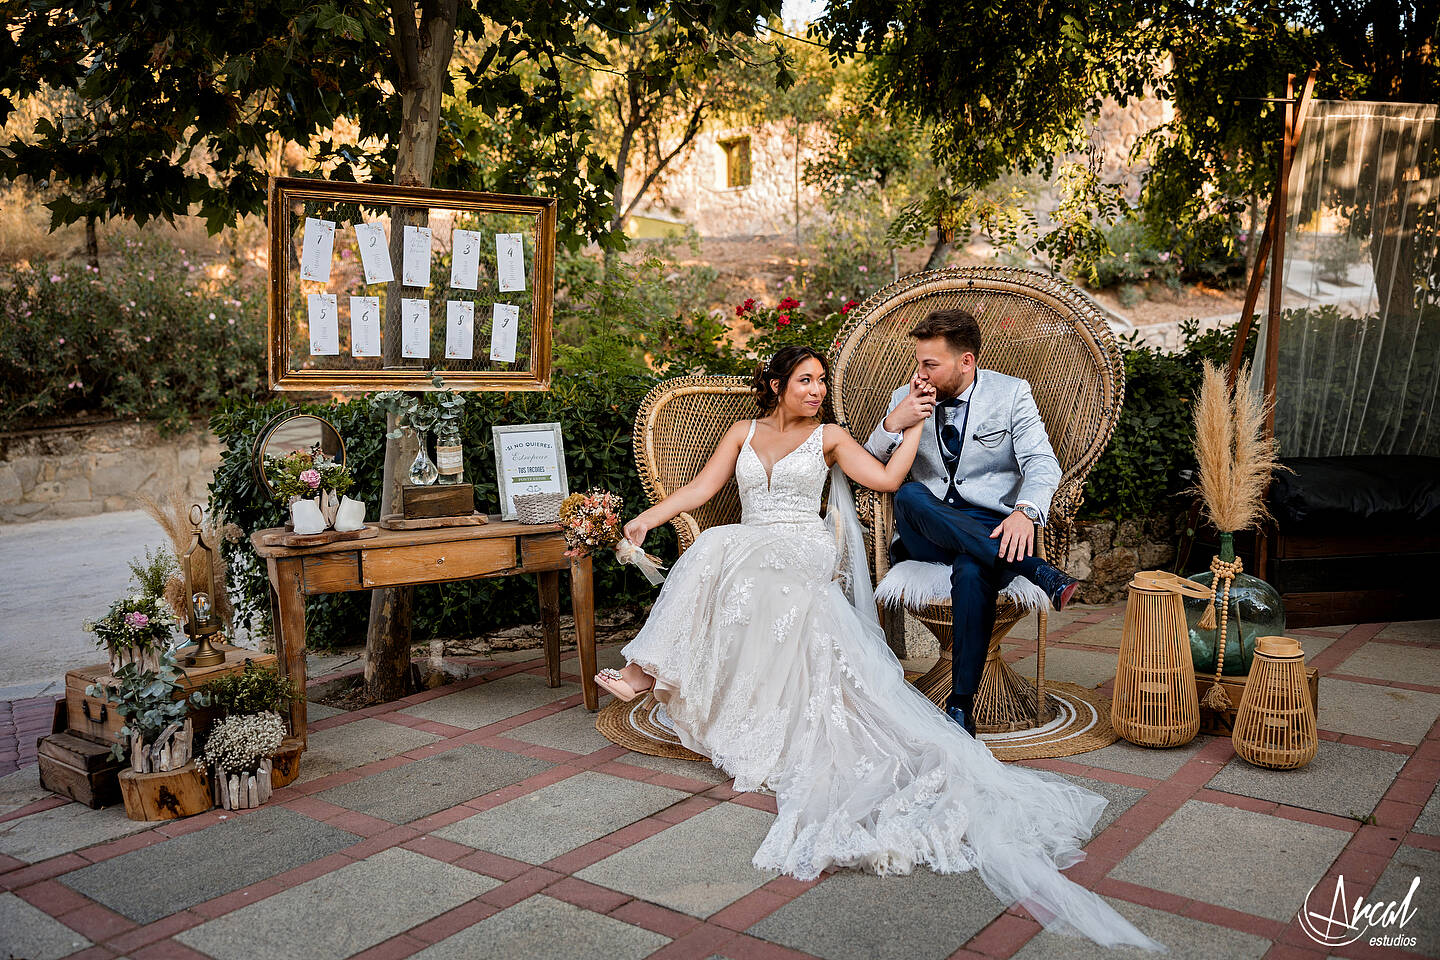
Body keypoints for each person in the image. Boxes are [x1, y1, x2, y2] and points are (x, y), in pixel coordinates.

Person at [595, 344, 1165, 952]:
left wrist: (914, 423)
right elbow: (703, 488)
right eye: (805, 381)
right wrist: (650, 517)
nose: (817, 390)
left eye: (821, 381)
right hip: (753, 538)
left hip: (802, 544)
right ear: (777, 385)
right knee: (714, 548)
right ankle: (652, 670)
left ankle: (646, 671)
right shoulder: (743, 432)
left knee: (737, 560)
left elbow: (890, 480)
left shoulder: (832, 437)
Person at [864, 308, 1079, 737]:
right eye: (919, 362)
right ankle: (1038, 571)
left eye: (930, 364)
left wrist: (1025, 511)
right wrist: (895, 422)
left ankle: (960, 707)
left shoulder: (1011, 393)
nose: (920, 373)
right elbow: (869, 461)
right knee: (909, 494)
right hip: (926, 528)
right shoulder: (904, 397)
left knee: (971, 568)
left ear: (966, 361)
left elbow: (1042, 462)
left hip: (991, 528)